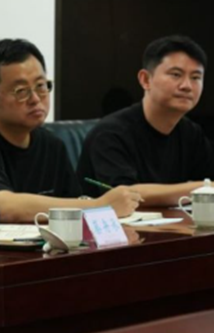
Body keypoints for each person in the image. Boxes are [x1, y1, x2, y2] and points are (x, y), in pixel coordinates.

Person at [0, 39, 141, 221]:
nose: (36, 99)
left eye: (41, 86)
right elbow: (2, 206)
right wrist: (99, 206)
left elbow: (71, 203)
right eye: (21, 91)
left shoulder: (52, 145)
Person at [79, 35, 214, 206]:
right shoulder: (110, 133)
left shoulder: (191, 133)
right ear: (145, 79)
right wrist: (202, 187)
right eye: (176, 75)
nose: (186, 85)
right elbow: (126, 196)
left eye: (195, 77)